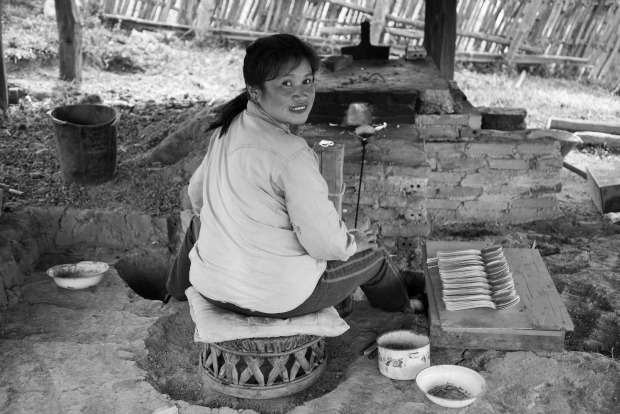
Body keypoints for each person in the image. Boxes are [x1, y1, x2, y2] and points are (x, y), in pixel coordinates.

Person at [166, 33, 423, 317]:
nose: (300, 94)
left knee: (202, 224)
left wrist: (228, 227)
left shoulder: (228, 127)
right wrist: (351, 243)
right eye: (286, 83)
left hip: (213, 288)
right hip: (276, 300)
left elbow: (197, 194)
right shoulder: (292, 154)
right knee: (373, 255)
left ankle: (174, 293)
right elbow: (322, 242)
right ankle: (405, 310)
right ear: (255, 91)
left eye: (307, 81)